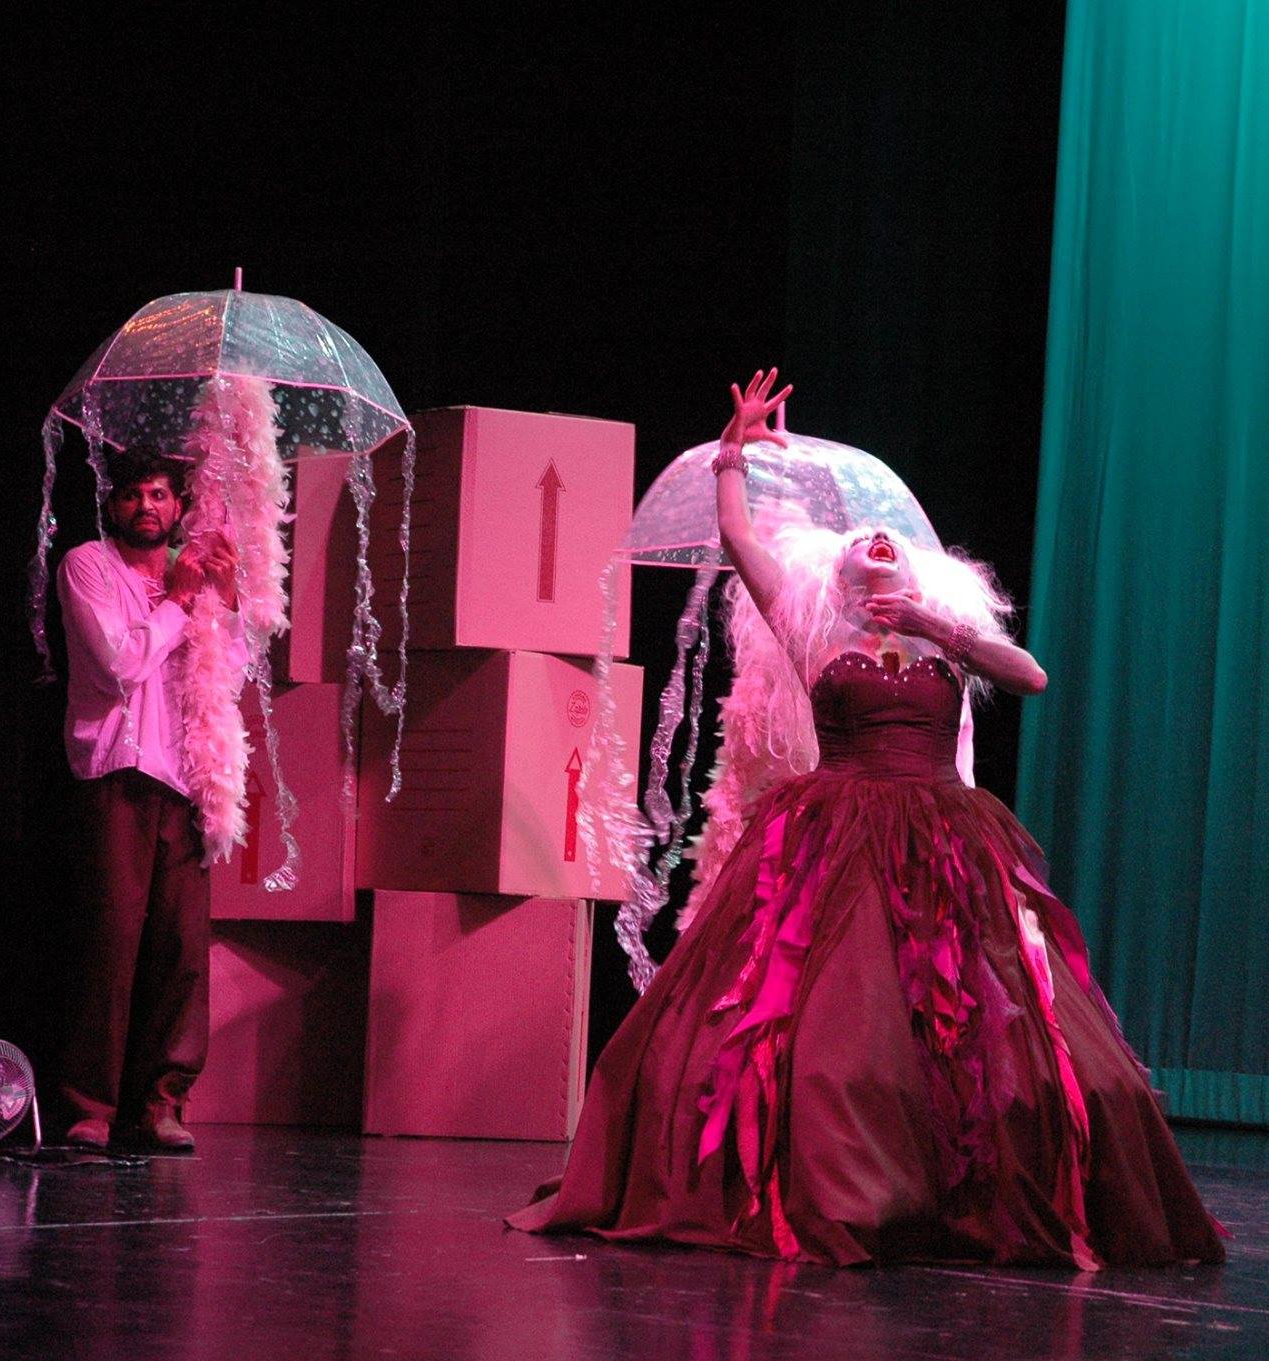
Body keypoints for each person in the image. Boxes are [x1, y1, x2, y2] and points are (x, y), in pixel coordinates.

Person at [512, 371, 1225, 1267]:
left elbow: (1033, 676)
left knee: (970, 1022)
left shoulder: (945, 640)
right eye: (857, 541)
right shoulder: (816, 634)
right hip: (837, 831)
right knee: (838, 1026)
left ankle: (966, 1182)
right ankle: (848, 1181)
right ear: (838, 576)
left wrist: (937, 622)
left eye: (887, 538)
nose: (873, 538)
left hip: (947, 836)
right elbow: (739, 539)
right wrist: (733, 455)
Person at [55, 446, 236, 1153]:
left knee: (182, 952)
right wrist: (181, 600)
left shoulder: (194, 572)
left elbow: (231, 675)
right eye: (133, 494)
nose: (148, 506)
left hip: (186, 781)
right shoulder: (88, 566)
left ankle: (164, 1102)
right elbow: (120, 661)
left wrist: (226, 600)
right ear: (111, 504)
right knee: (111, 944)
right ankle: (92, 1106)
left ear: (180, 506)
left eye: (161, 494)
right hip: (118, 774)